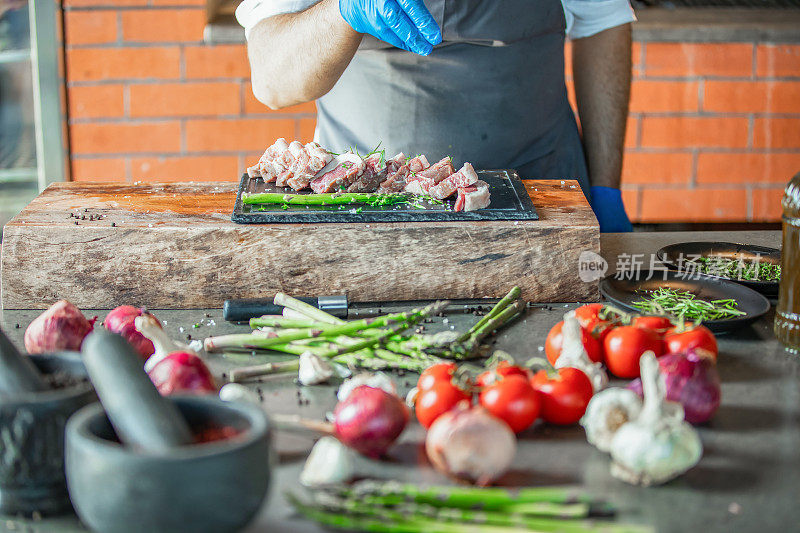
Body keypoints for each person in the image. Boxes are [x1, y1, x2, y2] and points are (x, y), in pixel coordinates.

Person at [236, 0, 636, 232]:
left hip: (543, 192)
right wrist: (343, 9)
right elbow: (273, 79)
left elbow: (603, 22)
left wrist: (605, 191)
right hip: (360, 205)